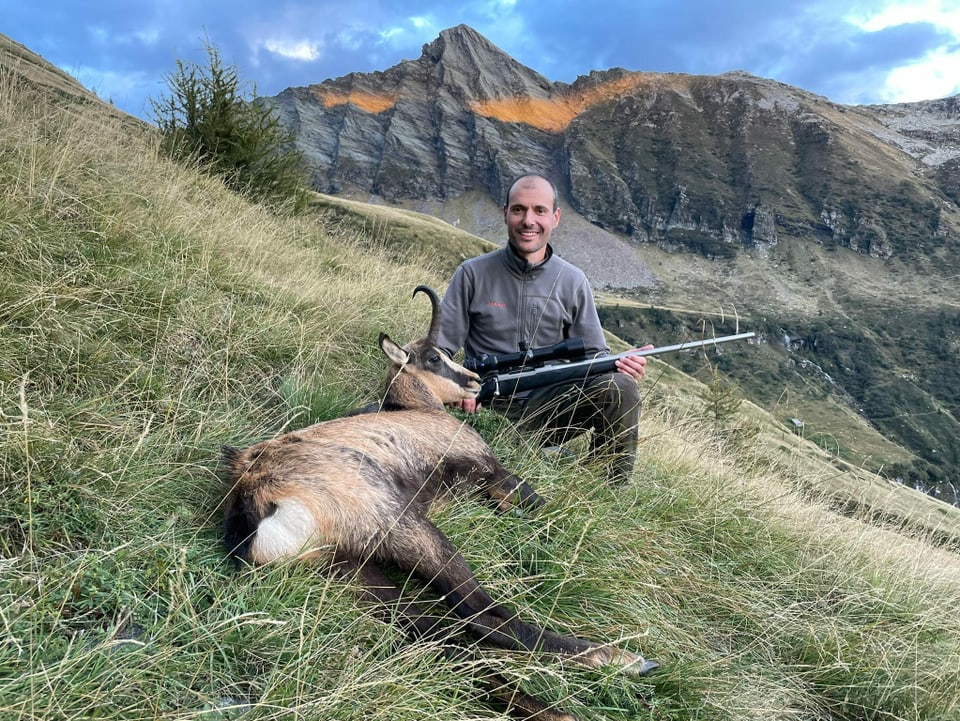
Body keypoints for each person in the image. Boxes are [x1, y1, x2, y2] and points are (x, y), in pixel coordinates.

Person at [438, 173, 653, 485]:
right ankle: (516, 452)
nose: (529, 221)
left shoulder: (573, 281)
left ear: (555, 218)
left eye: (539, 211)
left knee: (620, 387)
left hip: (549, 409)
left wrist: (621, 365)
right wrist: (459, 389)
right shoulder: (471, 274)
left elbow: (595, 358)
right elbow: (440, 350)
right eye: (519, 210)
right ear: (505, 213)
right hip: (484, 408)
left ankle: (606, 490)